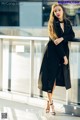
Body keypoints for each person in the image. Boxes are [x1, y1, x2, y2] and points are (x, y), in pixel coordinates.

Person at [38, 3, 75, 115]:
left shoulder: (68, 23)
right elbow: (56, 42)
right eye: (55, 11)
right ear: (53, 13)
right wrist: (64, 56)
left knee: (55, 80)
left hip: (62, 53)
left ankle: (47, 103)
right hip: (52, 54)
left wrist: (62, 38)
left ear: (63, 10)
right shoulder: (52, 23)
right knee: (51, 80)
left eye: (59, 10)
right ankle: (51, 104)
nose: (57, 12)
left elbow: (72, 35)